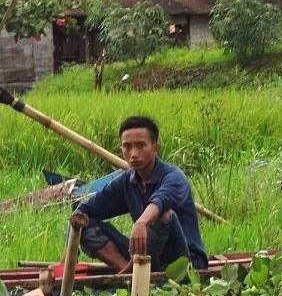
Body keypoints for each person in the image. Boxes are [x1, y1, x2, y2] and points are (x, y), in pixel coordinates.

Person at [73, 115, 209, 273]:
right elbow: (84, 209)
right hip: (145, 256)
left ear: (155, 148)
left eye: (140, 146)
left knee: (165, 215)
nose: (133, 153)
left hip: (186, 262)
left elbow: (161, 200)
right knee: (85, 219)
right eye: (127, 147)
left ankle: (138, 272)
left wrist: (141, 223)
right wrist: (69, 253)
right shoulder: (126, 181)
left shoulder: (174, 176)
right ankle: (127, 272)